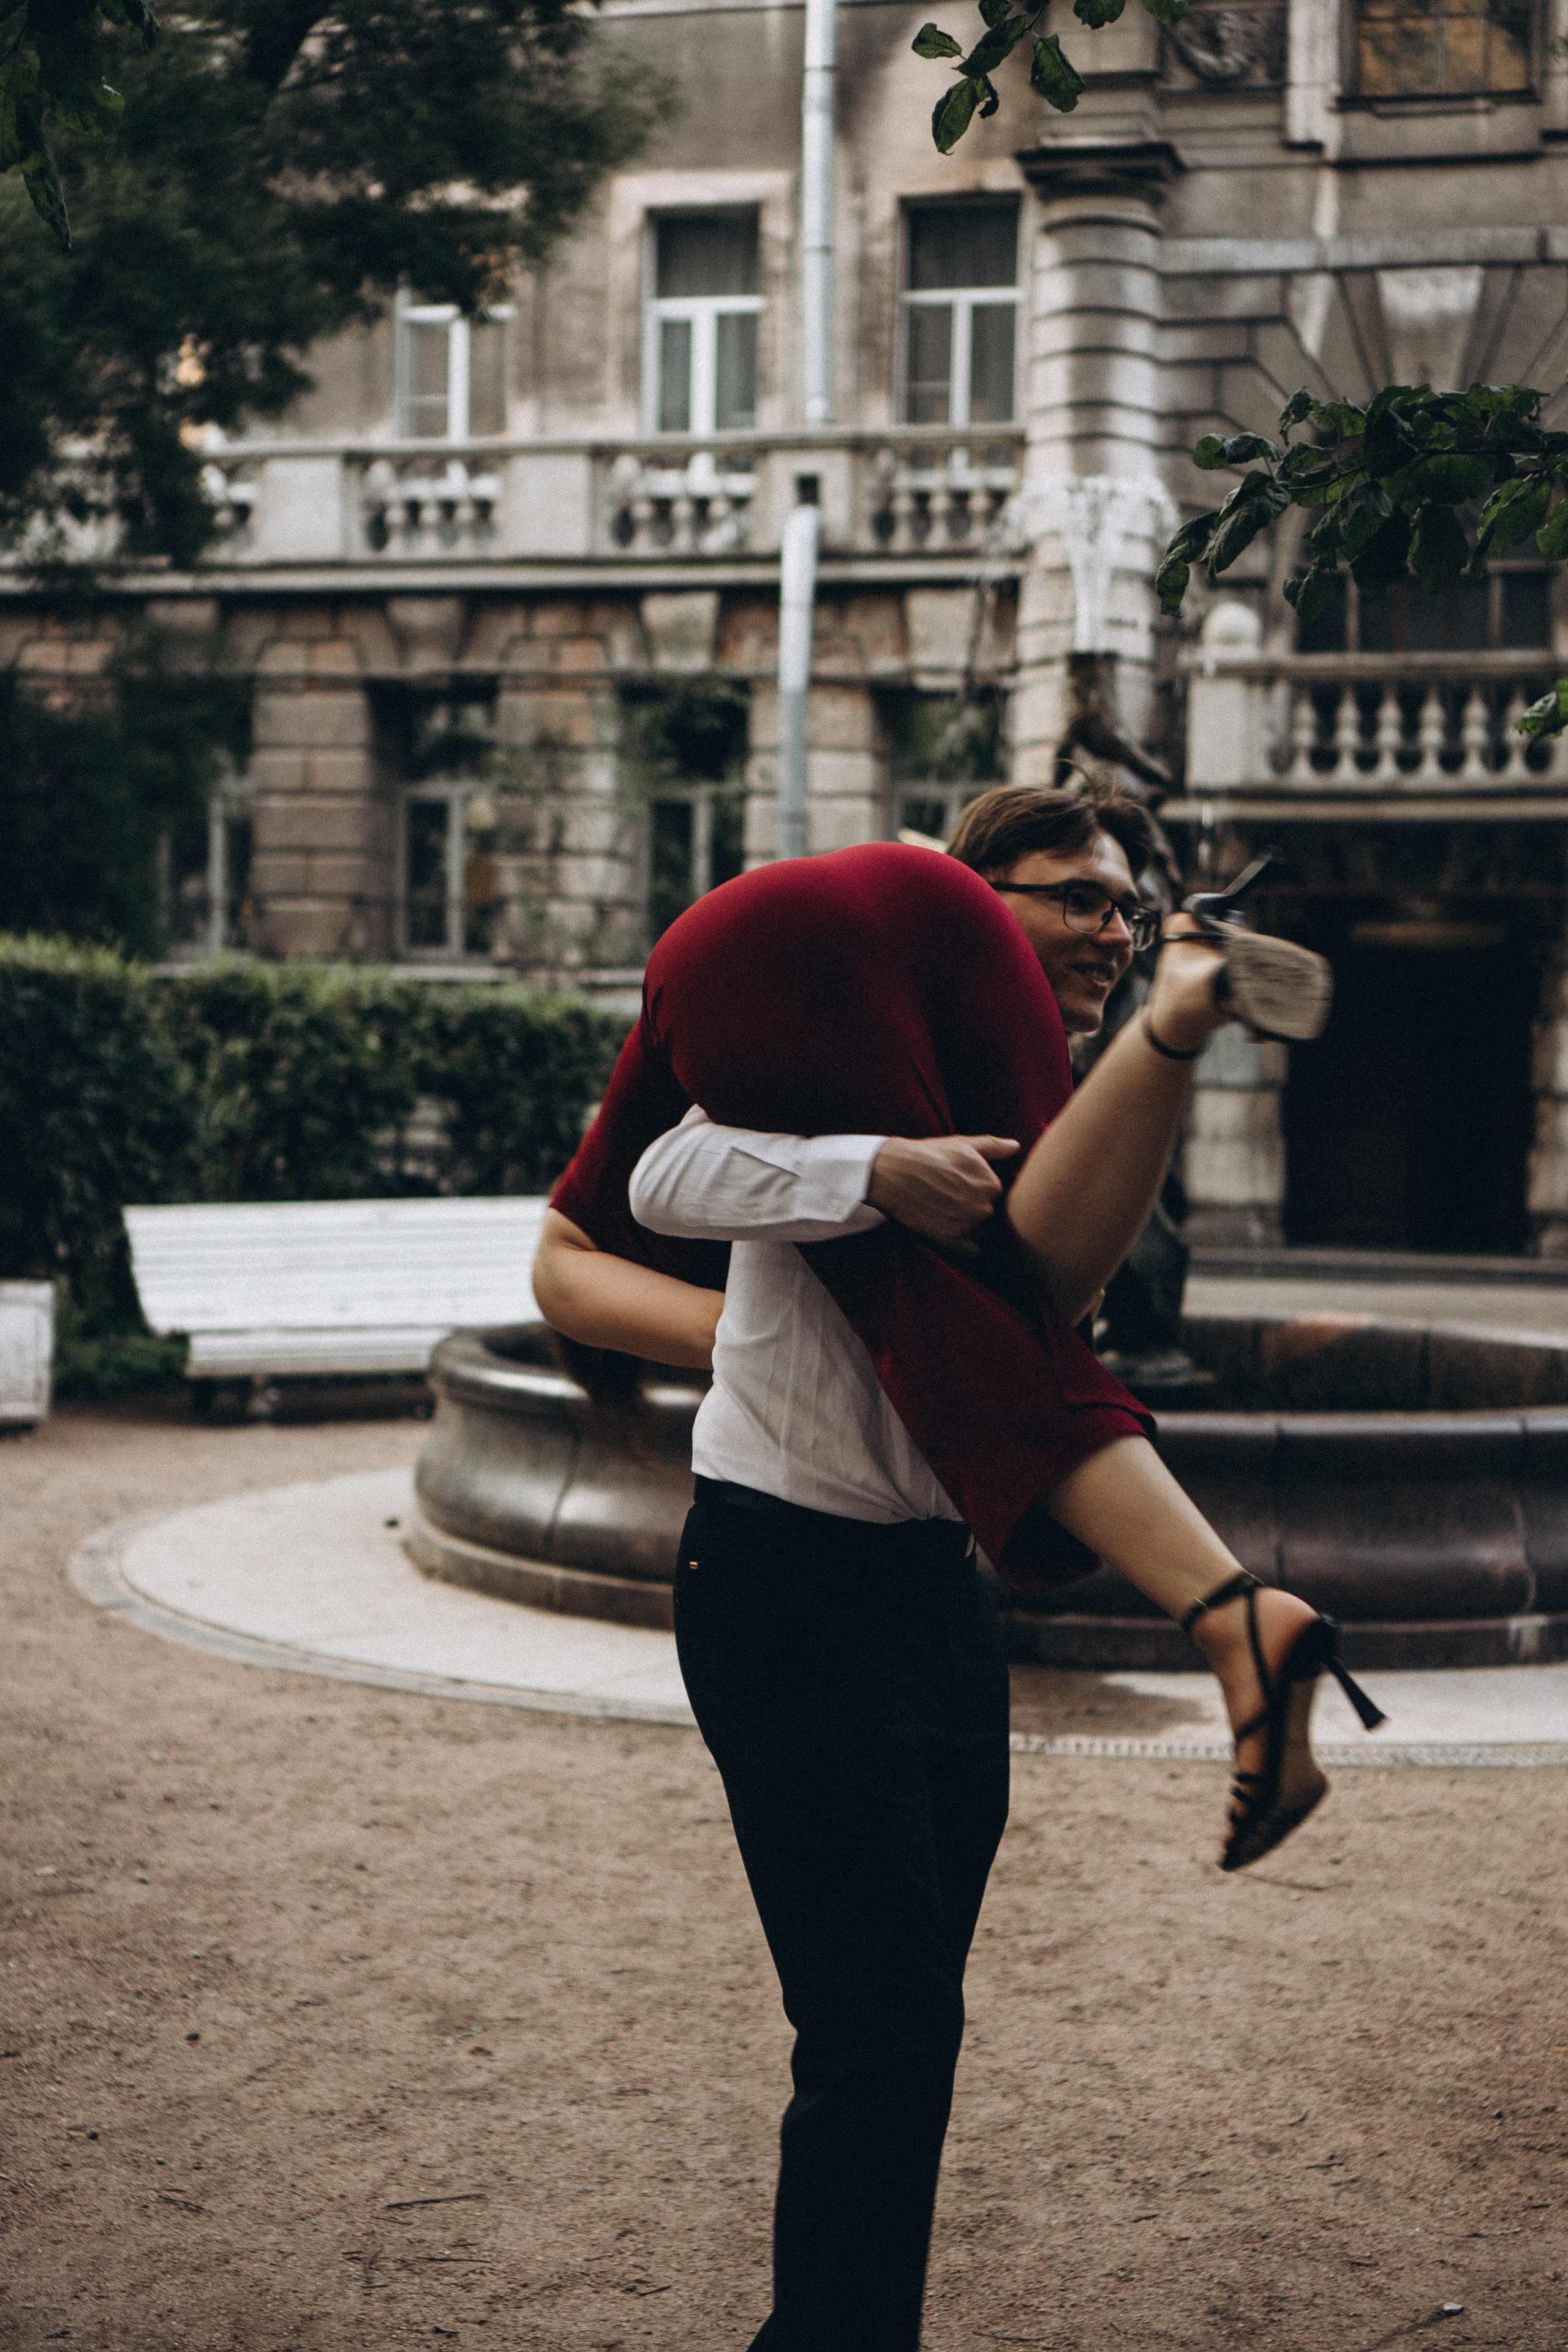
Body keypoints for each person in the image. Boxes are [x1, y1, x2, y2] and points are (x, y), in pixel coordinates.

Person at [533, 783, 1381, 2352]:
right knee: (877, 2028)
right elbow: (657, 1182)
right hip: (780, 1579)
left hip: (937, 1593)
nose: (1109, 928)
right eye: (1076, 897)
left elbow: (1053, 1290)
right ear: (963, 914)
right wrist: (867, 1168)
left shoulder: (1037, 1108)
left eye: (1129, 908)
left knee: (903, 2025)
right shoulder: (822, 1053)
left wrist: (1151, 1055)